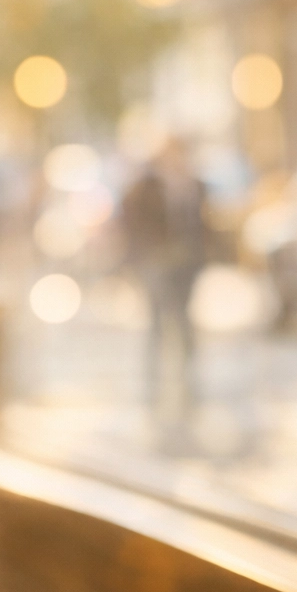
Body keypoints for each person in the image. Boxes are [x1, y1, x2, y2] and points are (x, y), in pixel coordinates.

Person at [120, 138, 207, 437]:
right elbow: (132, 220)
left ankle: (187, 377)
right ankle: (154, 379)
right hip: (156, 262)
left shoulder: (195, 184)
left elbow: (202, 223)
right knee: (158, 318)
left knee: (183, 319)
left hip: (185, 263)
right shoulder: (146, 187)